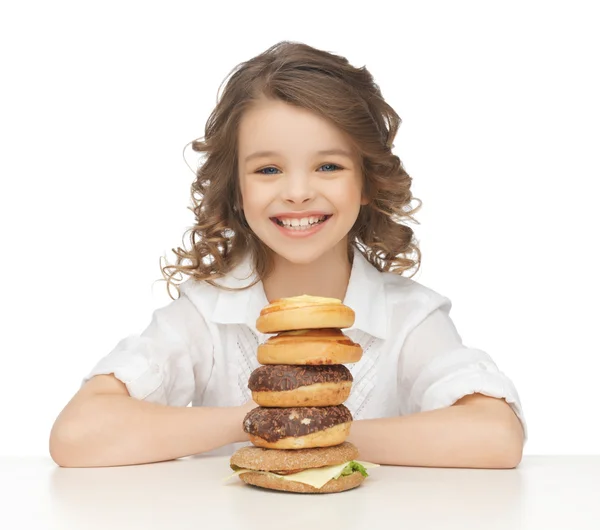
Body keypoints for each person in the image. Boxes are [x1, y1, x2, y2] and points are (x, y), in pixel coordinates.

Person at [49, 41, 526, 469]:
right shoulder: (204, 315)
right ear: (235, 188)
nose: (298, 192)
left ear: (366, 182)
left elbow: (496, 435)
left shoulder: (409, 317)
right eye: (269, 168)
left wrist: (316, 432)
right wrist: (262, 421)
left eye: (328, 166)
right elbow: (78, 435)